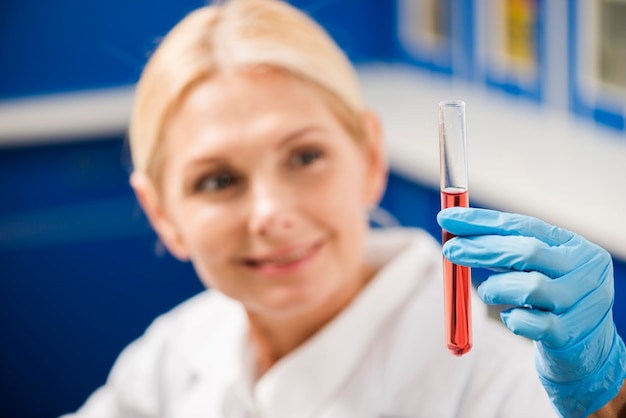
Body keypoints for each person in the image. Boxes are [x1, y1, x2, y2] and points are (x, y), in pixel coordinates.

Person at [62, 0, 626, 417]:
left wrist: (607, 408)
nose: (271, 212)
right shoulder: (175, 352)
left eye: (305, 156)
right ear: (161, 213)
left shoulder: (490, 380)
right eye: (219, 180)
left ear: (370, 156)